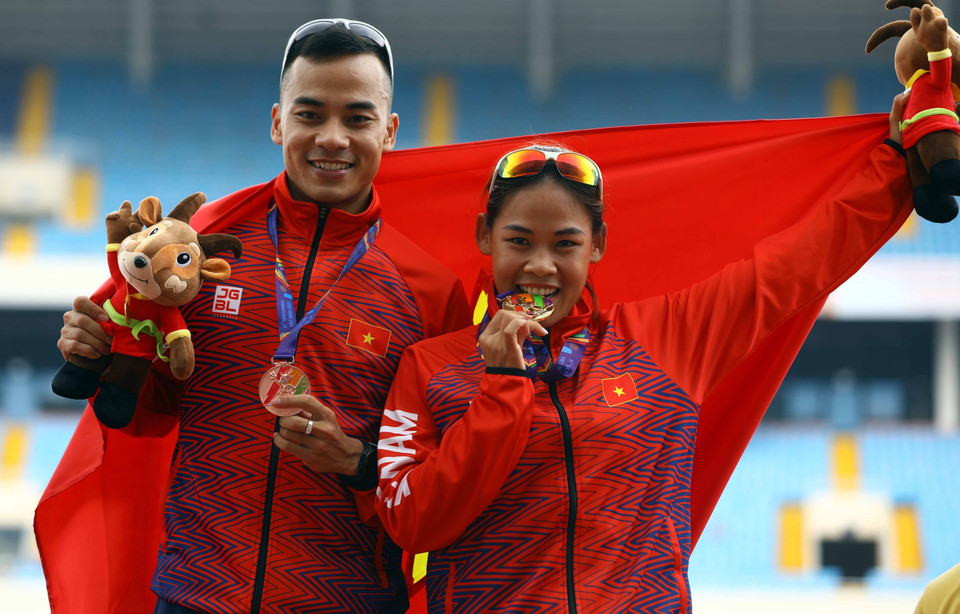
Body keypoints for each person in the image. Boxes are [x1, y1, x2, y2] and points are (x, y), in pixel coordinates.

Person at [371, 96, 915, 612]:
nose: (540, 266)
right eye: (519, 242)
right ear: (484, 237)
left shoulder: (664, 339)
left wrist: (896, 160)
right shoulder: (431, 367)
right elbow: (413, 522)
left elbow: (799, 264)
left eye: (565, 244)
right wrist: (502, 386)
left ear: (598, 244)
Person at [44, 19, 469, 614]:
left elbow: (442, 471)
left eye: (358, 118)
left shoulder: (431, 291)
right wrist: (102, 357)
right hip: (198, 594)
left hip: (349, 601)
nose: (332, 138)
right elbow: (150, 414)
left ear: (390, 131)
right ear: (278, 121)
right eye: (310, 114)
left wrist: (355, 460)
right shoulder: (201, 248)